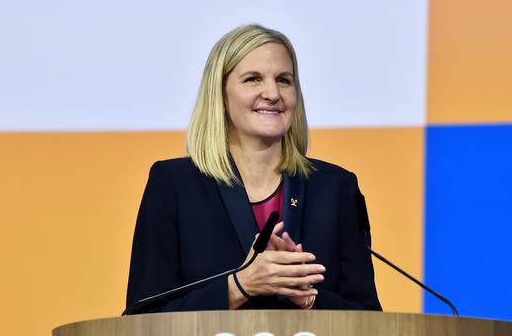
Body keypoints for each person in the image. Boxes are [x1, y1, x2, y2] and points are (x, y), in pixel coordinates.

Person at [126, 24, 381, 311]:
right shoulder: (173, 185)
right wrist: (240, 286)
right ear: (220, 95)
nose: (272, 93)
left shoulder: (336, 187)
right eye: (253, 79)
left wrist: (308, 298)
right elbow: (142, 316)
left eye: (284, 80)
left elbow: (369, 317)